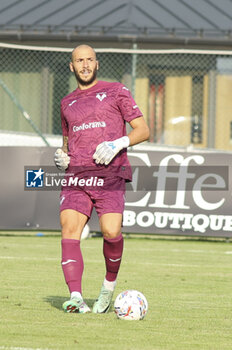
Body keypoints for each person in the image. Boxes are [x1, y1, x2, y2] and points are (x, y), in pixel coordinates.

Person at [54, 44, 150, 314]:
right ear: (72, 66)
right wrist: (61, 157)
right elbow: (66, 143)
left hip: (110, 174)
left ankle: (108, 286)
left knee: (111, 231)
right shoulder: (66, 103)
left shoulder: (116, 90)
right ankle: (76, 297)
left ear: (97, 64)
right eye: (79, 61)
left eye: (89, 60)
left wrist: (118, 143)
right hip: (77, 177)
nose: (84, 65)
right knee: (69, 228)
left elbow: (143, 130)